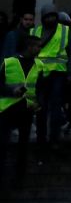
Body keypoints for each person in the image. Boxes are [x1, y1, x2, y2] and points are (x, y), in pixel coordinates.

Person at [0, 31, 41, 190]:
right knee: (3, 144)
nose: (39, 49)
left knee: (23, 145)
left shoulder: (39, 65)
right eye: (37, 46)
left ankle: (19, 177)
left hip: (26, 109)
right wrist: (12, 91)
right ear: (29, 47)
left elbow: (40, 87)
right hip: (7, 109)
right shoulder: (8, 62)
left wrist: (38, 102)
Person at [30, 4, 71, 146]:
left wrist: (70, 72)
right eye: (48, 16)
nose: (50, 19)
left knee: (55, 107)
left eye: (53, 16)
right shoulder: (35, 30)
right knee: (41, 107)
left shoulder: (65, 30)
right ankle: (41, 137)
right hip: (40, 74)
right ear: (43, 18)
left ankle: (54, 138)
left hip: (58, 73)